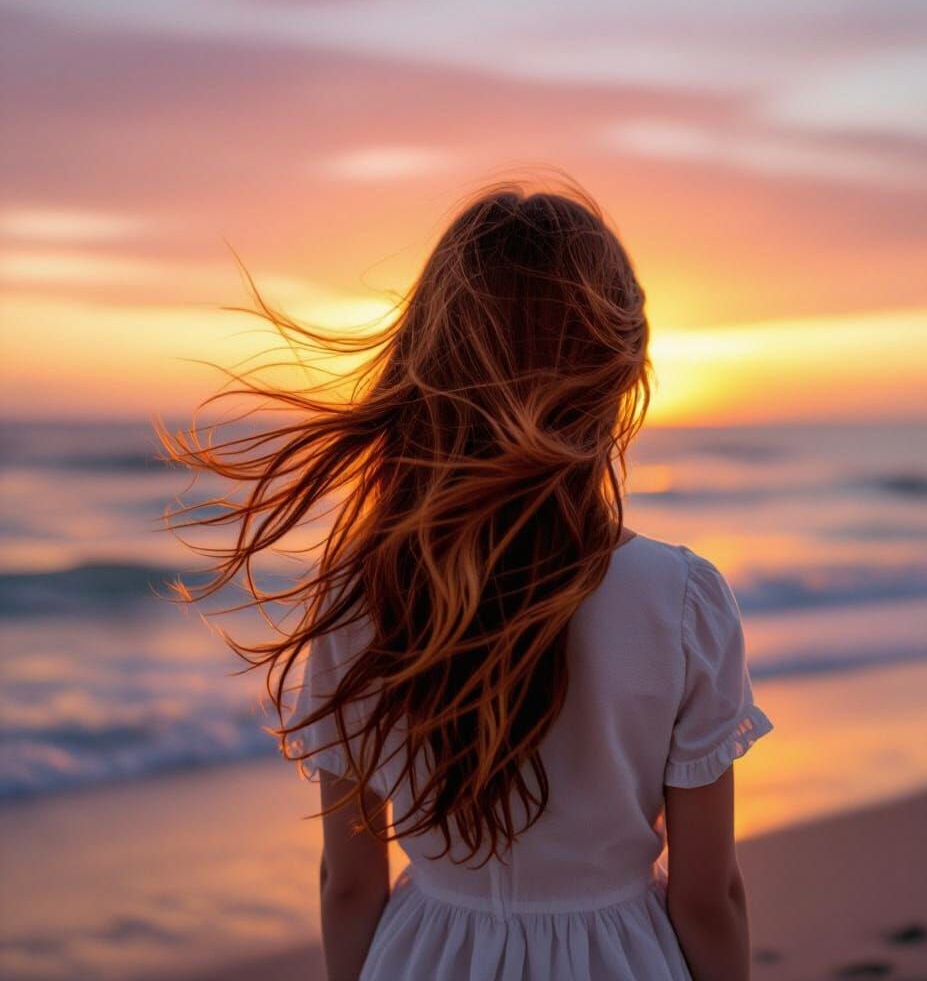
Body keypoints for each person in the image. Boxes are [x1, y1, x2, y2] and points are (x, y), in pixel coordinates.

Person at [159, 176, 773, 980]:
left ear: (428, 367)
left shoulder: (361, 593)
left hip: (425, 955)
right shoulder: (683, 599)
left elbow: (347, 886)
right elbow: (707, 895)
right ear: (618, 376)